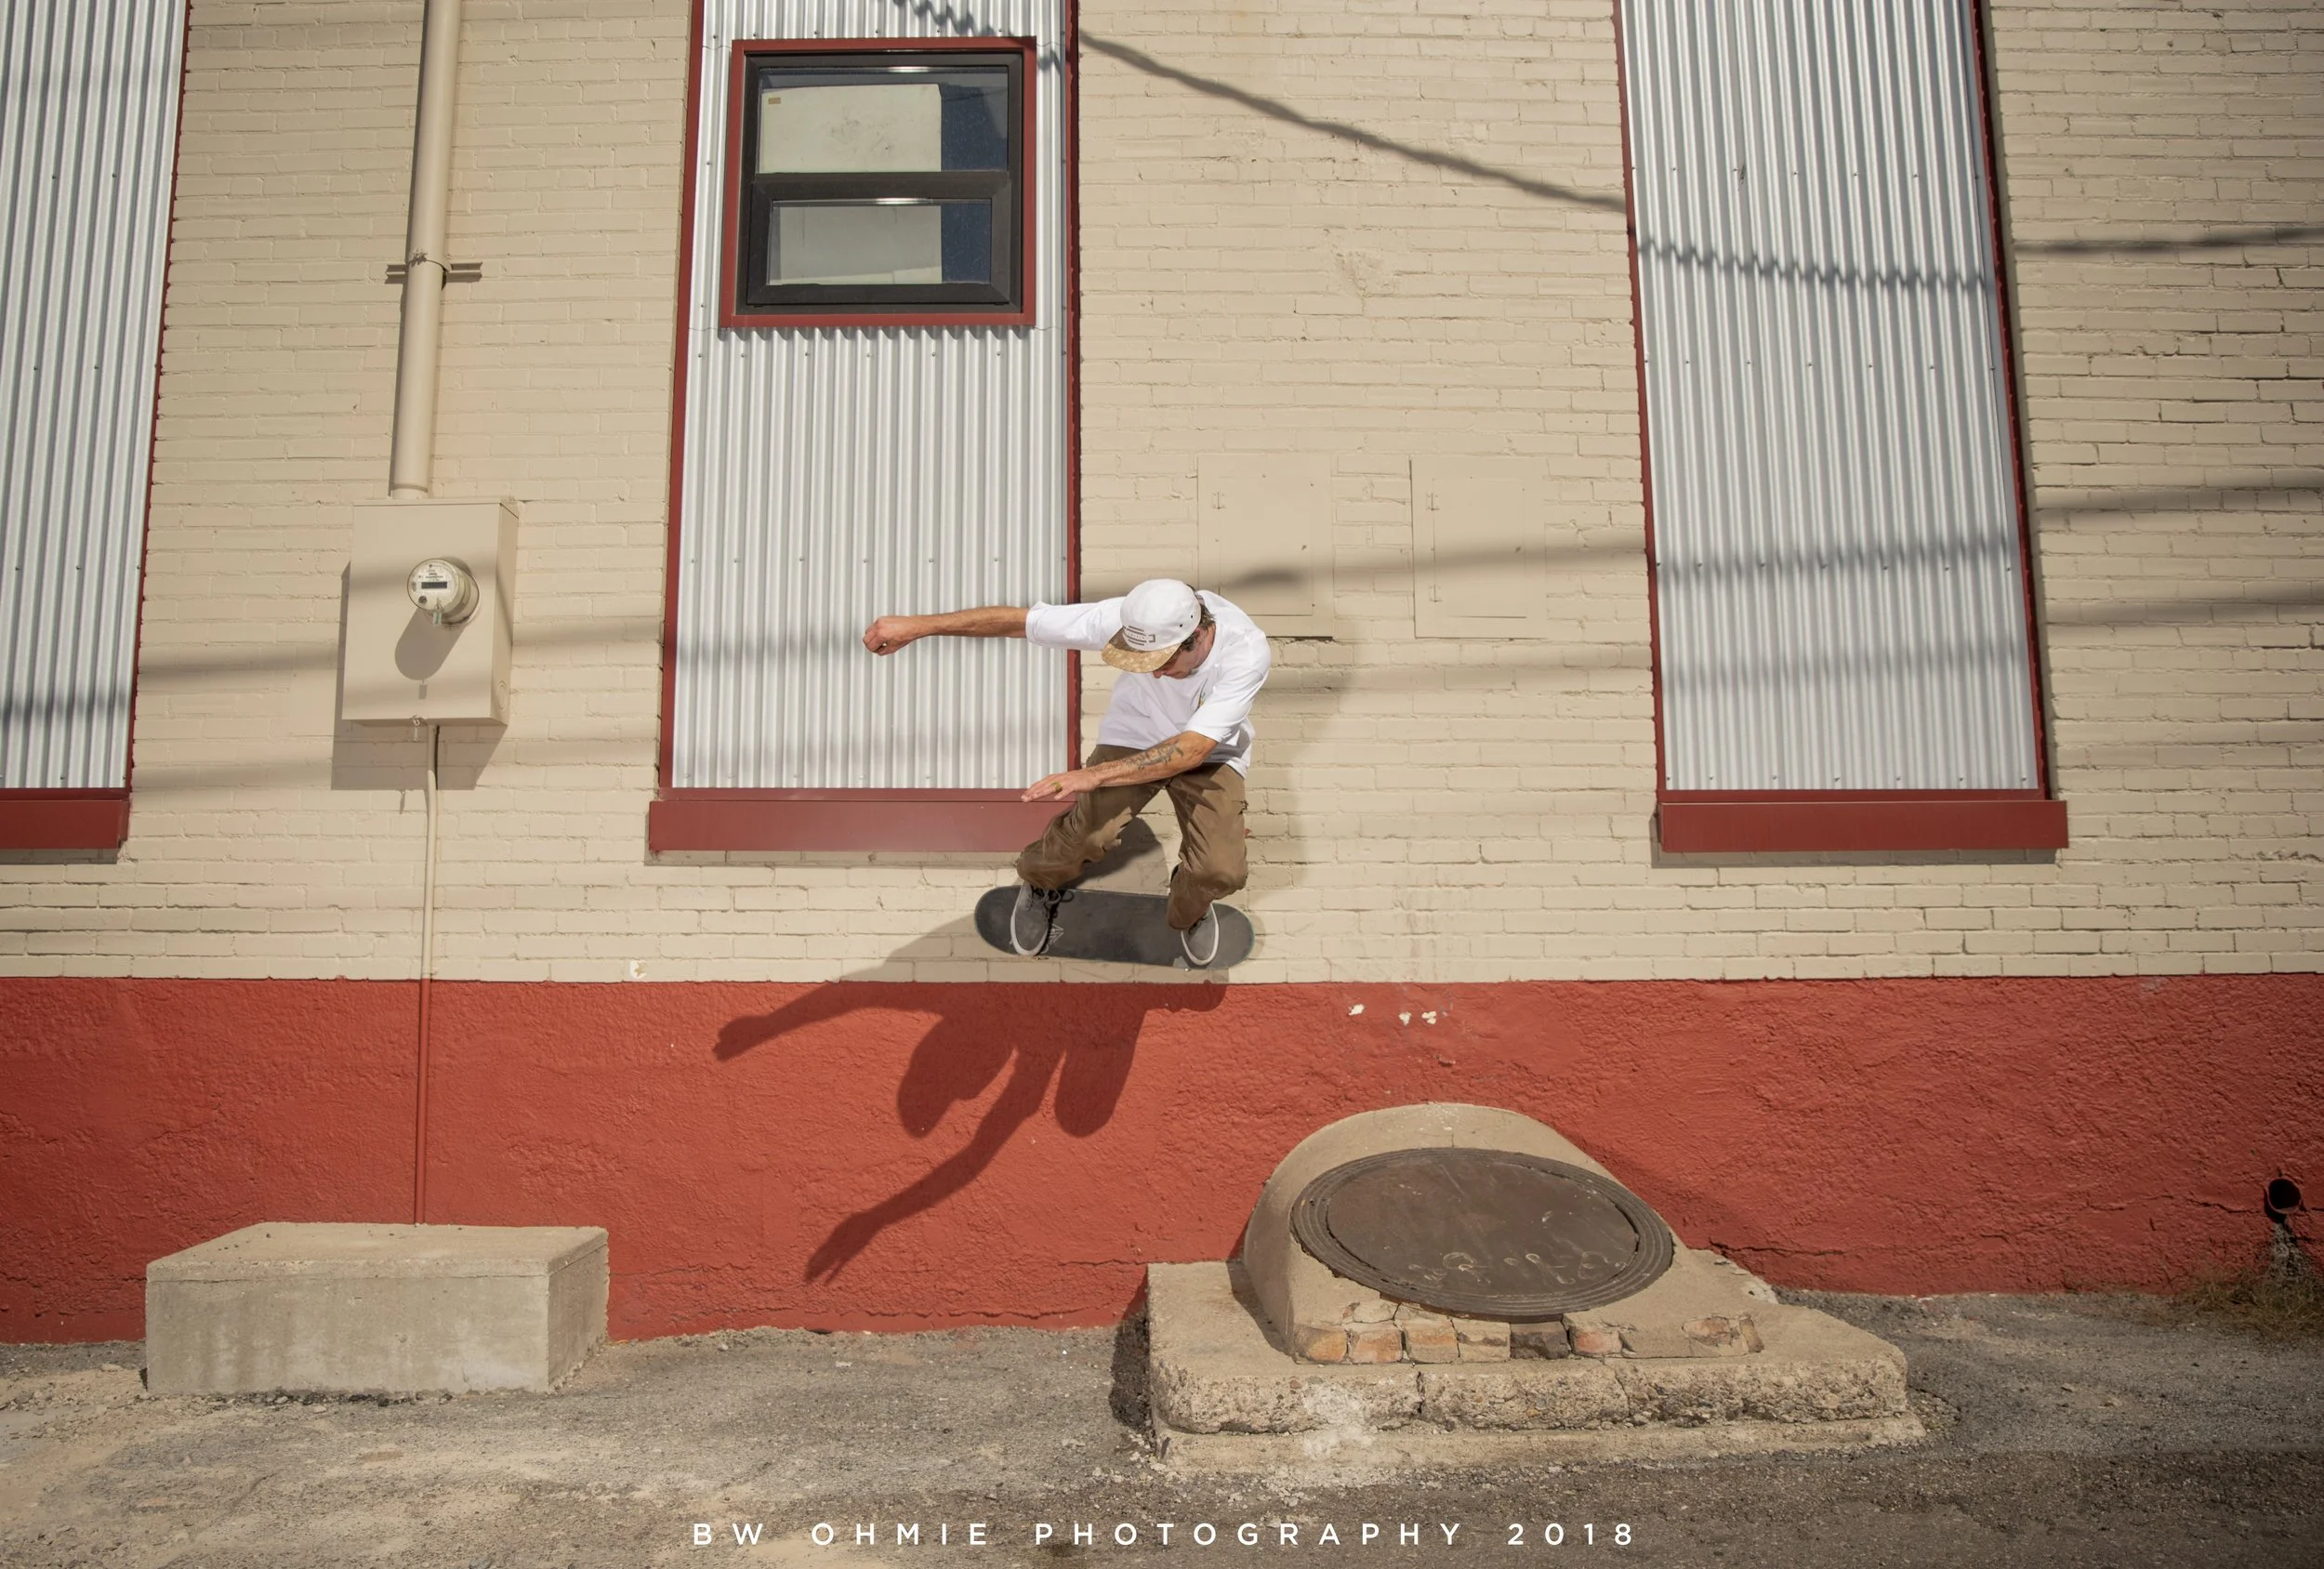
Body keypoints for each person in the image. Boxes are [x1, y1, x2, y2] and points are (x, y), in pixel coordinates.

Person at [862, 578, 1271, 966]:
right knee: (1090, 835)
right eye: (1145, 663)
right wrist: (919, 626)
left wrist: (1093, 775)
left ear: (1198, 636)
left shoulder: (1245, 652)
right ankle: (1041, 882)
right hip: (1136, 733)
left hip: (1209, 750)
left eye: (1164, 662)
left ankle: (1190, 909)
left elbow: (1191, 750)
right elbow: (1020, 622)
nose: (1156, 674)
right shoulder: (1124, 618)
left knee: (1219, 869)